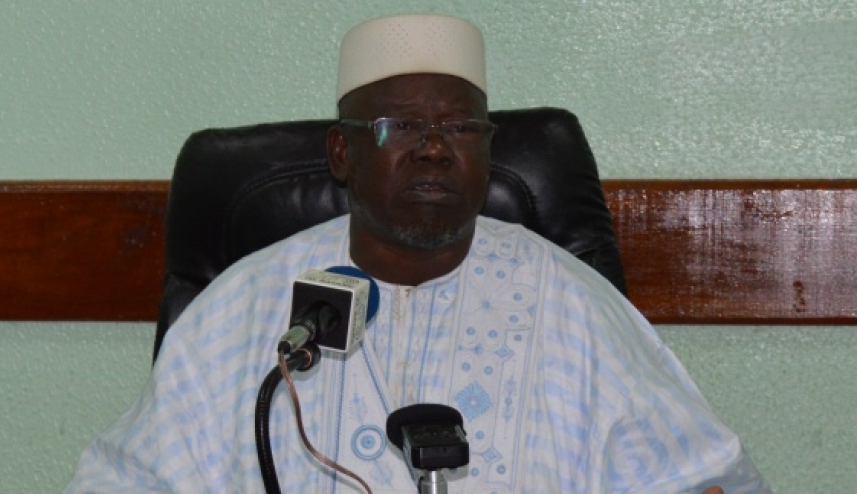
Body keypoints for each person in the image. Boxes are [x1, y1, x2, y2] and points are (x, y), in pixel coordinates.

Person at [66, 14, 770, 493]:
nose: (434, 148)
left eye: (461, 128)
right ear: (342, 152)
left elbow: (701, 478)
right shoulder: (245, 308)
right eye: (400, 126)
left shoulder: (571, 303)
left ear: (487, 152)